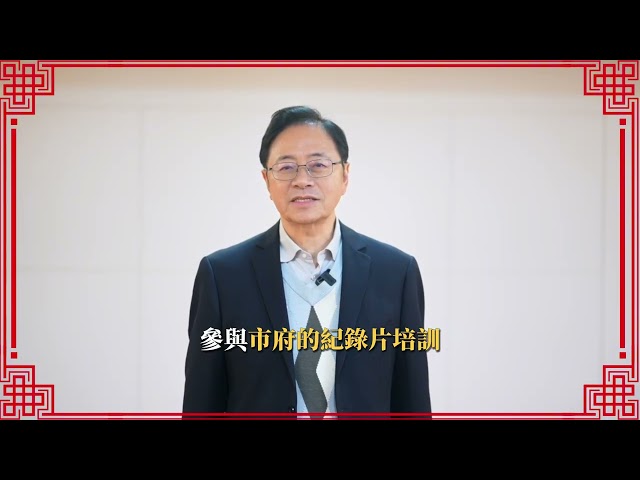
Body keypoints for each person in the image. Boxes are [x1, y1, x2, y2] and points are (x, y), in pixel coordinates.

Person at [182, 105, 432, 419]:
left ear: (345, 176)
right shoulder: (222, 276)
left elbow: (412, 398)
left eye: (318, 165)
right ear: (266, 180)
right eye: (286, 167)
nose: (302, 180)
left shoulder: (395, 273)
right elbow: (202, 401)